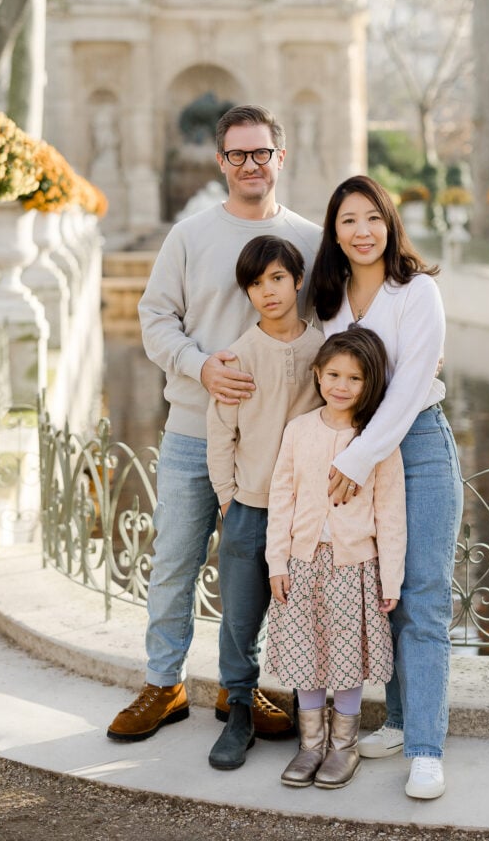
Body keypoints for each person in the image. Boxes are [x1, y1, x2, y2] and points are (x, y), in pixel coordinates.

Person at [106, 105, 321, 743]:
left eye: (261, 154)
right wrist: (201, 368)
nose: (250, 165)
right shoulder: (188, 236)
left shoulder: (311, 240)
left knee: (251, 570)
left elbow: (336, 329)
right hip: (194, 429)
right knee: (174, 558)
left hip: (273, 444)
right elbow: (155, 319)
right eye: (237, 155)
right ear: (221, 162)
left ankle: (240, 691)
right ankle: (163, 684)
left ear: (281, 158)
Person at [310, 175, 463, 801]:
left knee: (423, 596)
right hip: (354, 454)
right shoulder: (328, 300)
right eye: (349, 221)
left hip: (417, 449)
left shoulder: (417, 291)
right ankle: (398, 721)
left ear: (390, 222)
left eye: (373, 218)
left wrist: (356, 461)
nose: (363, 231)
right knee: (382, 594)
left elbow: (406, 390)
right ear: (335, 231)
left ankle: (426, 749)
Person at [265, 327, 406, 790]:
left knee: (345, 659)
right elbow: (281, 497)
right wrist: (277, 563)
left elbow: (390, 511)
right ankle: (310, 745)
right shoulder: (299, 430)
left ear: (371, 385)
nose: (342, 386)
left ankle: (343, 746)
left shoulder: (376, 440)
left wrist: (391, 577)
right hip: (302, 564)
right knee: (307, 656)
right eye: (333, 374)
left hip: (355, 567)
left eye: (355, 378)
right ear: (317, 374)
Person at [205, 235, 324, 770]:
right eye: (255, 283)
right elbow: (220, 436)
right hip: (250, 509)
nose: (267, 291)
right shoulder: (238, 356)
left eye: (277, 278)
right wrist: (230, 502)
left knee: (307, 612)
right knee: (240, 617)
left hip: (305, 510)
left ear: (297, 280)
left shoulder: (325, 350)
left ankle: (309, 713)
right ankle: (238, 713)